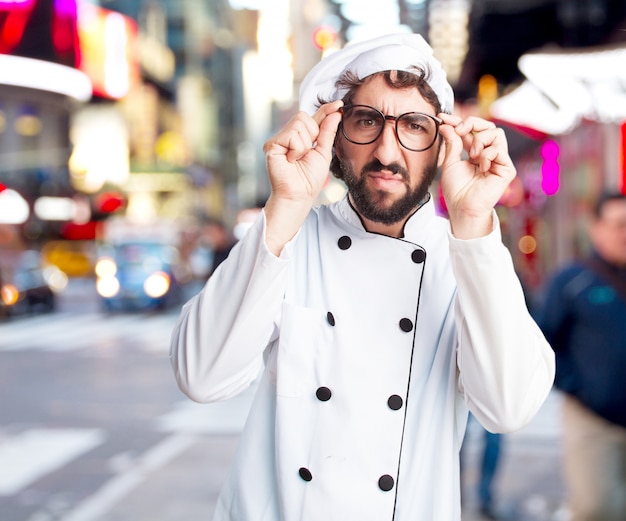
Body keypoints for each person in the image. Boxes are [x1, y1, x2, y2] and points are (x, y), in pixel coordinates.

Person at [170, 33, 555, 520]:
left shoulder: (464, 256)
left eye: (414, 126)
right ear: (333, 142)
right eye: (367, 121)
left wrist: (475, 221)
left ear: (441, 146)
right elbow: (201, 376)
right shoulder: (288, 240)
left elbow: (508, 407)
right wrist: (286, 205)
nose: (387, 153)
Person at [535, 191, 626, 521]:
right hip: (592, 421)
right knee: (597, 508)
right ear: (596, 228)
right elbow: (544, 344)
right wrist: (579, 387)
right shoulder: (572, 282)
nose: (624, 233)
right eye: (618, 225)